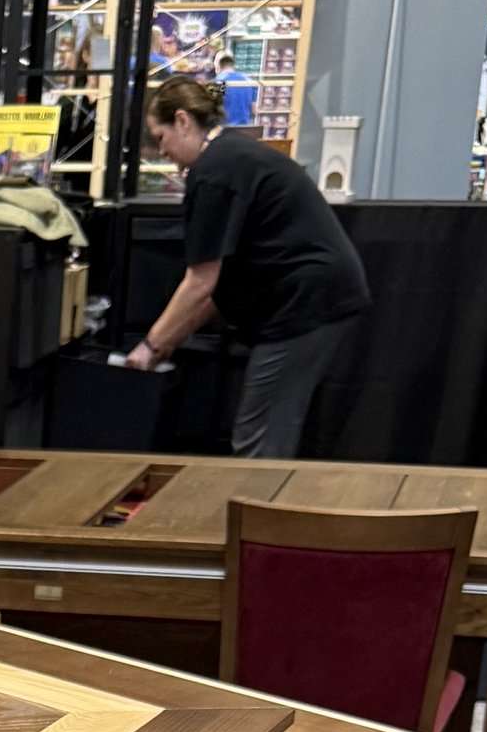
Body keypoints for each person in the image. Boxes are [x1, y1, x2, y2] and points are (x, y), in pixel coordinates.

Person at [126, 72, 370, 458]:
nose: (162, 152)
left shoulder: (214, 170)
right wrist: (166, 342)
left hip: (304, 300)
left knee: (260, 438)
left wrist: (150, 346)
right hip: (317, 295)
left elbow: (201, 283)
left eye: (161, 137)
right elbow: (217, 286)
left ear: (183, 121)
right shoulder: (232, 156)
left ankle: (258, 497)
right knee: (267, 429)